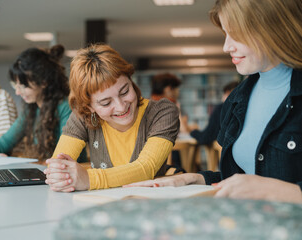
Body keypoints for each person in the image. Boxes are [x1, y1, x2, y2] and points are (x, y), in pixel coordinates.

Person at [125, 0, 302, 203]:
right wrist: (196, 179)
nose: (226, 46)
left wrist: (276, 191)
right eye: (225, 34)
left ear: (274, 27)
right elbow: (241, 182)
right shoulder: (237, 99)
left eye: (236, 34)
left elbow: (262, 186)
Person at [44, 44, 180, 192]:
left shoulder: (162, 112)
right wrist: (60, 176)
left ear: (130, 79)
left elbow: (146, 169)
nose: (121, 107)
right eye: (106, 102)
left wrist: (89, 179)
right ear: (89, 106)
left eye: (125, 91)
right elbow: (57, 166)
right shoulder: (83, 115)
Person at [181, 81, 239, 145]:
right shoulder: (241, 108)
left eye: (224, 94)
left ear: (228, 93)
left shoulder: (221, 108)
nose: (222, 97)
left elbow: (207, 136)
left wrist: (192, 132)